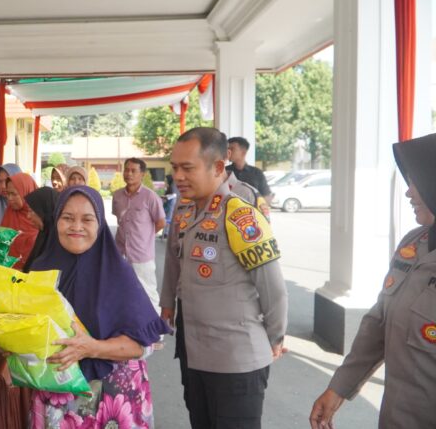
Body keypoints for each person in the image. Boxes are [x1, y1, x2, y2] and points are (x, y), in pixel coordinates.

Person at [161, 127, 288, 429]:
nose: (178, 176)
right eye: (175, 168)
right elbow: (174, 260)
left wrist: (273, 339)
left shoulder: (239, 214)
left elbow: (273, 290)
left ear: (218, 167)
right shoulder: (186, 209)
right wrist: (168, 303)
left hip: (234, 359)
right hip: (195, 353)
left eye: (187, 168)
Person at [309, 133, 436, 429]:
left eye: (416, 181)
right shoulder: (414, 243)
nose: (409, 193)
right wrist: (339, 388)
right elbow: (378, 324)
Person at [29, 185, 170, 429]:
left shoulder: (118, 274)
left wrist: (91, 348)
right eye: (67, 218)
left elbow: (139, 346)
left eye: (87, 219)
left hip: (112, 398)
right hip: (55, 394)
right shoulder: (40, 270)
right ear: (56, 220)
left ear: (100, 225)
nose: (76, 227)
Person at [112, 158, 166, 312]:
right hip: (120, 254)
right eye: (126, 170)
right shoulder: (117, 196)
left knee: (148, 293)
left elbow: (161, 222)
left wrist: (145, 237)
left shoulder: (150, 197)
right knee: (123, 291)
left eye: (133, 170)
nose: (129, 174)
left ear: (142, 174)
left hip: (141, 255)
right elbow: (119, 220)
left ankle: (155, 325)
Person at [0, 173, 38, 270]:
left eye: (14, 194)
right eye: (8, 194)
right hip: (9, 272)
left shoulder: (40, 216)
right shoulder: (9, 213)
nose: (10, 198)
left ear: (26, 192)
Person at [21, 186, 58, 272]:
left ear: (44, 211)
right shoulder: (44, 235)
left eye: (31, 211)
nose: (28, 216)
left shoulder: (57, 245)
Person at [226, 137, 273, 202]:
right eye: (227, 149)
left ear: (243, 152)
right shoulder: (225, 172)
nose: (228, 152)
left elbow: (266, 195)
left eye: (232, 149)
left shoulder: (257, 173)